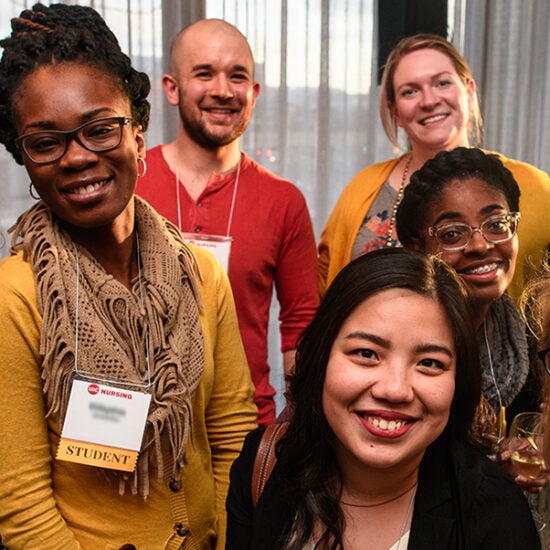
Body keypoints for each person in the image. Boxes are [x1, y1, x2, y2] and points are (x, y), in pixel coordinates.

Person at [0, 4, 257, 549]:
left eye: (99, 129)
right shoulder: (14, 298)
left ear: (138, 136)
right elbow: (20, 504)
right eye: (46, 143)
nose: (75, 157)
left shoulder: (202, 274)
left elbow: (231, 432)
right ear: (26, 159)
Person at [226, 248, 540, 549]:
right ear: (321, 359)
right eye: (366, 354)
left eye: (429, 363)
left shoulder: (494, 512)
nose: (394, 390)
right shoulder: (265, 466)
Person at [135, 19, 319, 425]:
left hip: (244, 427)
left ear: (253, 93)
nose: (222, 90)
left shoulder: (283, 201)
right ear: (172, 87)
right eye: (204, 74)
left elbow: (301, 322)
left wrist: (298, 423)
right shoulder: (130, 183)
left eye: (237, 76)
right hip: (138, 420)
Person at [318, 33, 550, 302]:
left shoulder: (534, 187)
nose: (428, 101)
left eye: (442, 83)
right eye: (410, 91)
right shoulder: (363, 186)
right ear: (395, 111)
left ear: (469, 91)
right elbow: (324, 278)